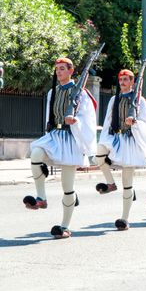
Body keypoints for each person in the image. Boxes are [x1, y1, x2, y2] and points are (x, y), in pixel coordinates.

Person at [23, 57, 97, 239]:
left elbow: (89, 117)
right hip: (55, 136)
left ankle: (64, 226)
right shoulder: (52, 92)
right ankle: (41, 198)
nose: (59, 72)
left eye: (62, 69)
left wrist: (75, 121)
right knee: (36, 153)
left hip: (71, 138)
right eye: (57, 69)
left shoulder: (81, 92)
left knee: (67, 186)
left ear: (71, 71)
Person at [95, 69, 146, 230]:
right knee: (99, 155)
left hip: (130, 141)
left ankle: (125, 218)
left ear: (132, 82)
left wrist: (135, 123)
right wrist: (105, 139)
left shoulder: (139, 101)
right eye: (120, 79)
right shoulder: (113, 99)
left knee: (127, 182)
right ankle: (110, 183)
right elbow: (108, 120)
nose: (122, 82)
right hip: (115, 137)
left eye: (125, 79)